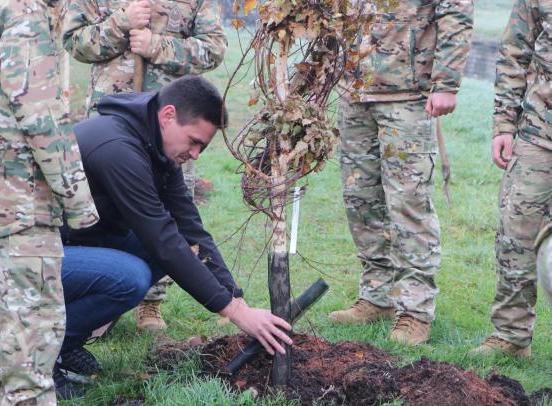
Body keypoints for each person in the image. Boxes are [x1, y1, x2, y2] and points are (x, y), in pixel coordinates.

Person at [52, 75, 294, 397]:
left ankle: (66, 340)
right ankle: (46, 347)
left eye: (202, 147)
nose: (195, 154)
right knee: (130, 277)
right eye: (194, 141)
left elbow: (190, 230)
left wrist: (236, 298)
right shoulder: (118, 149)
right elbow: (164, 240)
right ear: (167, 116)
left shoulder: (157, 147)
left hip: (79, 240)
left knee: (173, 252)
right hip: (36, 253)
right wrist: (234, 313)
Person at [0, 0, 99, 403]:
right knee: (30, 327)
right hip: (20, 197)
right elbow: (40, 114)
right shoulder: (24, 14)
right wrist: (78, 200)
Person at [62, 0, 227, 331]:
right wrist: (119, 23)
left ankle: (149, 302)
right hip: (114, 116)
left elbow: (214, 48)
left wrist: (158, 46)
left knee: (171, 223)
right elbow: (74, 41)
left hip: (176, 129)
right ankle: (96, 295)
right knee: (105, 212)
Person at [328, 0, 473, 345]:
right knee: (359, 198)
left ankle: (414, 310)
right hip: (355, 90)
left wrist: (446, 82)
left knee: (408, 201)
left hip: (407, 94)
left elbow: (456, 12)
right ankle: (377, 296)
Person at [471, 0, 550, 358]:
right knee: (515, 234)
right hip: (539, 133)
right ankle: (512, 336)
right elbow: (515, 51)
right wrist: (504, 122)